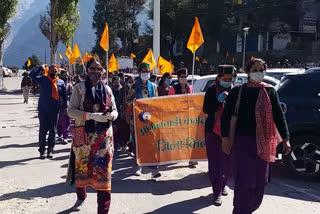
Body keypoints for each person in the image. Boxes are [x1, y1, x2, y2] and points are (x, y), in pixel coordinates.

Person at [221, 58, 291, 214]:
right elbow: (225, 116)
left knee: (260, 183)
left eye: (261, 70)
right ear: (248, 72)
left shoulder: (270, 91)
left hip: (264, 144)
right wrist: (225, 138)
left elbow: (279, 116)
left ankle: (247, 209)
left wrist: (286, 139)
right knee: (244, 182)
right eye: (255, 70)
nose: (258, 73)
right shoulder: (237, 91)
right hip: (242, 143)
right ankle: (239, 211)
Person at [67, 58, 118, 214]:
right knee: (82, 170)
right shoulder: (79, 88)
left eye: (99, 69)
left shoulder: (108, 90)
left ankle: (103, 211)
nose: (96, 72)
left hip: (104, 140)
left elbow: (115, 110)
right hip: (84, 139)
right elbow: (71, 111)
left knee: (104, 175)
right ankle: (81, 195)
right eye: (92, 69)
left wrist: (111, 116)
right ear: (87, 70)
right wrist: (90, 115)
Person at [203, 65, 236, 206]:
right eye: (225, 79)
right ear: (219, 78)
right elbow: (206, 109)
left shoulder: (236, 91)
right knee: (215, 164)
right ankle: (216, 192)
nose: (227, 81)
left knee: (227, 163)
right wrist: (218, 100)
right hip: (212, 131)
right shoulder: (211, 90)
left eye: (230, 79)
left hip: (229, 132)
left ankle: (223, 185)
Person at [127, 62, 160, 178]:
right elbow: (128, 101)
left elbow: (157, 102)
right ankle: (138, 166)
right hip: (137, 120)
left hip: (150, 119)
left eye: (147, 71)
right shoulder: (134, 87)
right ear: (139, 73)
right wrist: (134, 102)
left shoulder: (154, 86)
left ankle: (154, 169)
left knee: (151, 143)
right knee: (138, 143)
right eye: (144, 71)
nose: (146, 73)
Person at [30, 64, 67, 159]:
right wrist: (40, 67)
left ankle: (50, 150)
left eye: (55, 71)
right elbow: (32, 75)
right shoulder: (43, 79)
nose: (53, 73)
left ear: (57, 72)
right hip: (43, 110)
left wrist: (65, 107)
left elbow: (64, 95)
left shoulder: (61, 82)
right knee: (43, 131)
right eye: (51, 71)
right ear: (48, 71)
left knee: (52, 131)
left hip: (55, 110)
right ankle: (42, 151)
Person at [168, 68, 197, 168]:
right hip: (177, 117)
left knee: (189, 138)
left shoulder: (191, 88)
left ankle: (191, 159)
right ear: (178, 78)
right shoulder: (173, 89)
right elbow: (170, 103)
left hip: (188, 117)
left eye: (185, 77)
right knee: (179, 139)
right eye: (182, 77)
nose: (184, 79)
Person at [117, 76, 135, 153]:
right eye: (130, 82)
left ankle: (131, 146)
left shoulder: (135, 89)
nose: (132, 83)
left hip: (134, 112)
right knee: (125, 130)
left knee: (132, 131)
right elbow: (119, 102)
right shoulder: (123, 90)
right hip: (125, 113)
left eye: (132, 82)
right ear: (126, 82)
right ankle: (124, 144)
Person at [57, 70, 72, 144]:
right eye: (64, 75)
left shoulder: (69, 85)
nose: (66, 77)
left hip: (67, 105)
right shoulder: (57, 83)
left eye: (67, 76)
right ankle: (59, 135)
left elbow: (72, 95)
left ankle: (65, 137)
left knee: (66, 121)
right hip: (58, 105)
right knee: (59, 121)